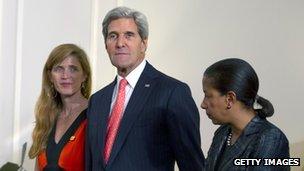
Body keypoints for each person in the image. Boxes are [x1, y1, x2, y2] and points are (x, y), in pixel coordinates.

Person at [85, 6, 205, 171]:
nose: (120, 43)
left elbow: (192, 165)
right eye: (113, 36)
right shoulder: (97, 100)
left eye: (129, 35)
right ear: (106, 45)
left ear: (144, 43)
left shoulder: (172, 92)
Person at [201, 58, 290, 170]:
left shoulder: (270, 139)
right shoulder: (222, 132)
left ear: (230, 99)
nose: (203, 104)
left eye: (208, 96)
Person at [28, 43, 92, 171]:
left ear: (84, 75)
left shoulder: (95, 114)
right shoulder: (46, 117)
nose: (65, 76)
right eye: (58, 69)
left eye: (73, 69)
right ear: (50, 76)